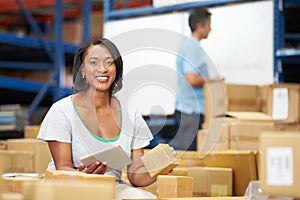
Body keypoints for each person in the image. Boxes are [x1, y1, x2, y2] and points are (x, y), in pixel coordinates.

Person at [37, 38, 163, 199]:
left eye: (109, 62)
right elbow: (63, 167)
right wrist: (84, 176)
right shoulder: (62, 111)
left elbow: (135, 175)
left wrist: (158, 169)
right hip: (68, 186)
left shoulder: (131, 114)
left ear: (116, 68)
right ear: (82, 70)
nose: (102, 69)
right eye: (94, 63)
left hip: (110, 187)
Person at [173, 7, 223, 151]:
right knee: (190, 156)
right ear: (200, 26)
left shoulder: (189, 46)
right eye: (209, 25)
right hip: (191, 112)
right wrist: (215, 81)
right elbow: (192, 79)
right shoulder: (192, 48)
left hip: (189, 111)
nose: (210, 29)